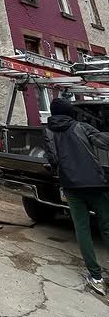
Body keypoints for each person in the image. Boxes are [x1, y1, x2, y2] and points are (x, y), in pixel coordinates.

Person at [43, 97, 109, 295]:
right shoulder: (81, 127)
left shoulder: (48, 131)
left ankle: (96, 277)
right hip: (95, 183)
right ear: (69, 112)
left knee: (82, 229)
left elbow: (52, 160)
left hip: (71, 186)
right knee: (106, 226)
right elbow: (103, 142)